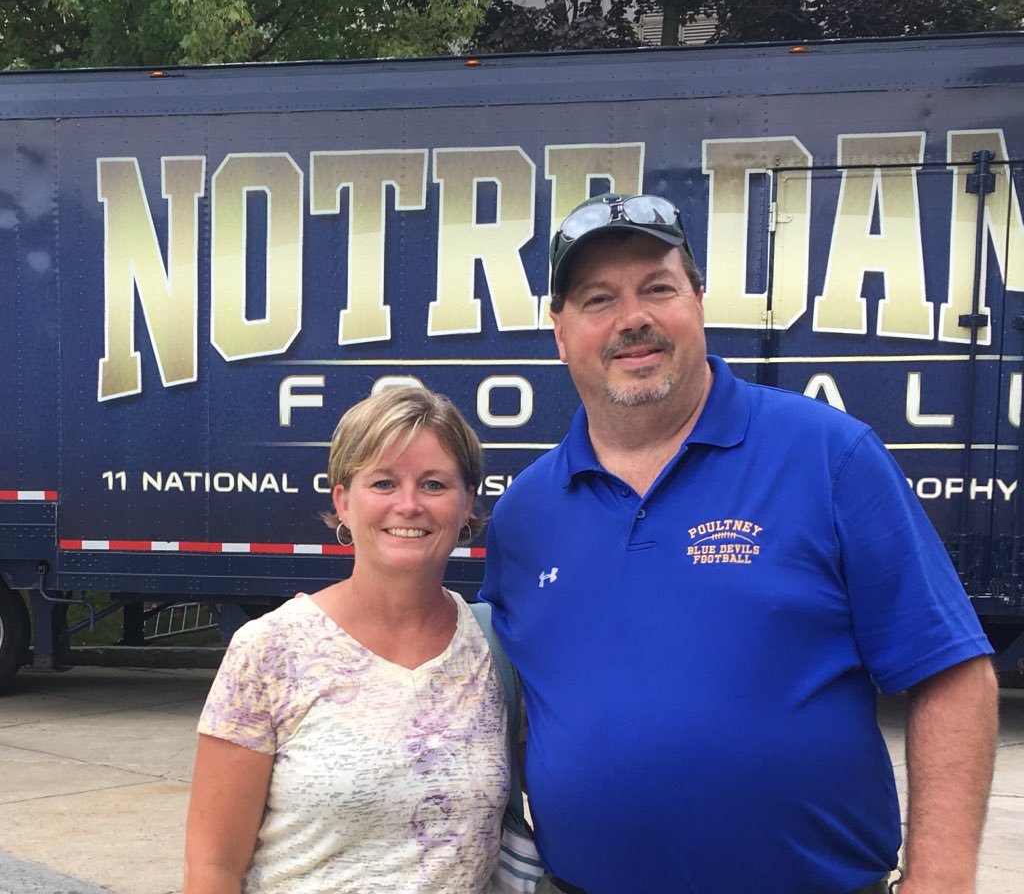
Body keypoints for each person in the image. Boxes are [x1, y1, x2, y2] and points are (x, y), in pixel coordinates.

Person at [480, 192, 999, 894]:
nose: (632, 319)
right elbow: (493, 707)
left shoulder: (829, 456)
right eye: (598, 299)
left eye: (657, 288)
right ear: (561, 331)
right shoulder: (525, 514)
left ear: (697, 300)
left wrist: (941, 879)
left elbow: (952, 674)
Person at [184, 386, 508, 894]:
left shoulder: (495, 650)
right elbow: (213, 867)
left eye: (433, 484)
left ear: (468, 502)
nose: (408, 504)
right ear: (343, 501)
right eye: (383, 482)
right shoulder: (270, 650)